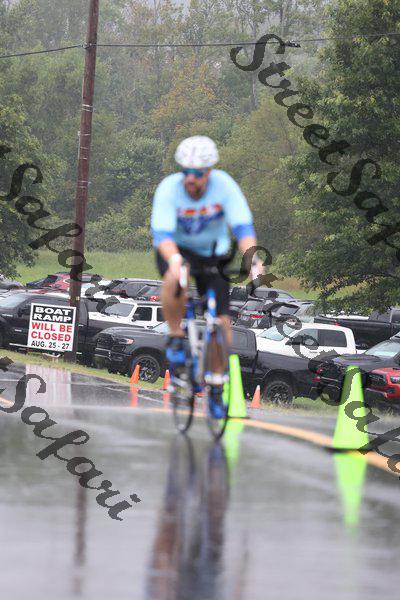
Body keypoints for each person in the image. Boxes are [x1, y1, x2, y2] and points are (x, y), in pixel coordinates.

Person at [151, 136, 264, 415]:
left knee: (222, 322)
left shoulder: (224, 186)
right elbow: (162, 235)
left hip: (214, 254)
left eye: (198, 173)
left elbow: (242, 227)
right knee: (176, 277)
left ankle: (215, 385)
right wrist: (175, 260)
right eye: (186, 172)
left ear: (209, 172)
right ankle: (176, 337)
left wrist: (252, 258)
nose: (191, 178)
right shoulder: (169, 189)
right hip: (176, 250)